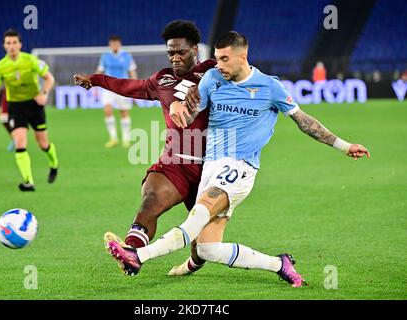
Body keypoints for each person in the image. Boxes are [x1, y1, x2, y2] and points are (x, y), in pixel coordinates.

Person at [106, 31, 370, 287]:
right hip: (210, 167)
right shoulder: (211, 78)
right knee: (209, 249)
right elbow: (190, 115)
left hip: (240, 168)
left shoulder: (270, 86)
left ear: (242, 57)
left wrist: (345, 146)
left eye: (224, 59)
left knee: (196, 217)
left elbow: (305, 123)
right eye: (217, 58)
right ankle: (280, 265)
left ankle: (138, 256)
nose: (218, 65)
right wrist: (176, 106)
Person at [74, 20, 216, 273]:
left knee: (205, 248)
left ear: (195, 49)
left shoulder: (213, 70)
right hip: (176, 162)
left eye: (180, 52)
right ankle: (130, 253)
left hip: (212, 166)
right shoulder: (161, 80)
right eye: (170, 53)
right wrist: (95, 80)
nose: (175, 58)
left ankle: (193, 263)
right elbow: (130, 87)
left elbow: (243, 75)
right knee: (150, 201)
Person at [0, 29, 59, 191]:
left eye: (14, 43)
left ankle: (54, 164)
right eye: (8, 43)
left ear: (20, 44)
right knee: (20, 142)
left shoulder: (31, 60)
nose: (11, 46)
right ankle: (28, 181)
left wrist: (44, 93)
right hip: (16, 107)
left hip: (34, 105)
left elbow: (49, 78)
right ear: (4, 46)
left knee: (43, 144)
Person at [96, 35, 138, 148]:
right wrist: (94, 86)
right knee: (107, 110)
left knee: (124, 112)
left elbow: (132, 72)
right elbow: (99, 71)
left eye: (116, 43)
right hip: (108, 87)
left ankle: (125, 139)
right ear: (110, 44)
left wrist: (135, 87)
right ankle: (113, 138)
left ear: (119, 44)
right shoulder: (105, 56)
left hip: (122, 87)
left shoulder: (127, 56)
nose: (114, 45)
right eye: (112, 43)